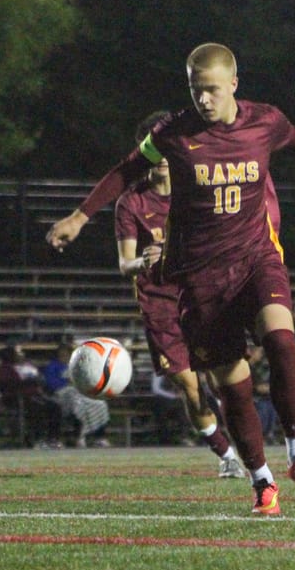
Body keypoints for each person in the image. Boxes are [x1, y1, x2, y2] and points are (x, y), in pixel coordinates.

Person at [47, 42, 295, 514]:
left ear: (233, 85)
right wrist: (80, 217)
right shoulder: (172, 134)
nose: (203, 100)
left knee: (282, 341)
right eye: (195, 90)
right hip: (200, 276)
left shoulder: (264, 122)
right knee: (234, 383)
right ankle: (262, 482)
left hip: (256, 258)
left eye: (211, 90)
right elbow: (127, 170)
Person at [113, 109, 244, 477]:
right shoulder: (132, 203)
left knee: (223, 381)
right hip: (159, 306)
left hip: (200, 295)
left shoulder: (197, 192)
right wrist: (144, 260)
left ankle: (249, 445)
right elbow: (125, 264)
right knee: (189, 385)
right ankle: (226, 456)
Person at [42, 342, 110, 448]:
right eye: (61, 354)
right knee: (78, 405)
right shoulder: (53, 366)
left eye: (66, 354)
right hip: (63, 395)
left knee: (99, 405)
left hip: (80, 393)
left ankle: (99, 437)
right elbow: (51, 383)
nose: (64, 356)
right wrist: (67, 383)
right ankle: (79, 437)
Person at [0, 343, 63, 448]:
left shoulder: (28, 366)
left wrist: (38, 381)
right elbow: (10, 385)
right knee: (37, 408)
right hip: (18, 398)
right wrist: (30, 381)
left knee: (55, 407)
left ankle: (53, 438)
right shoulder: (5, 369)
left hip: (36, 395)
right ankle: (38, 439)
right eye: (19, 352)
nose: (22, 354)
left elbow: (40, 379)